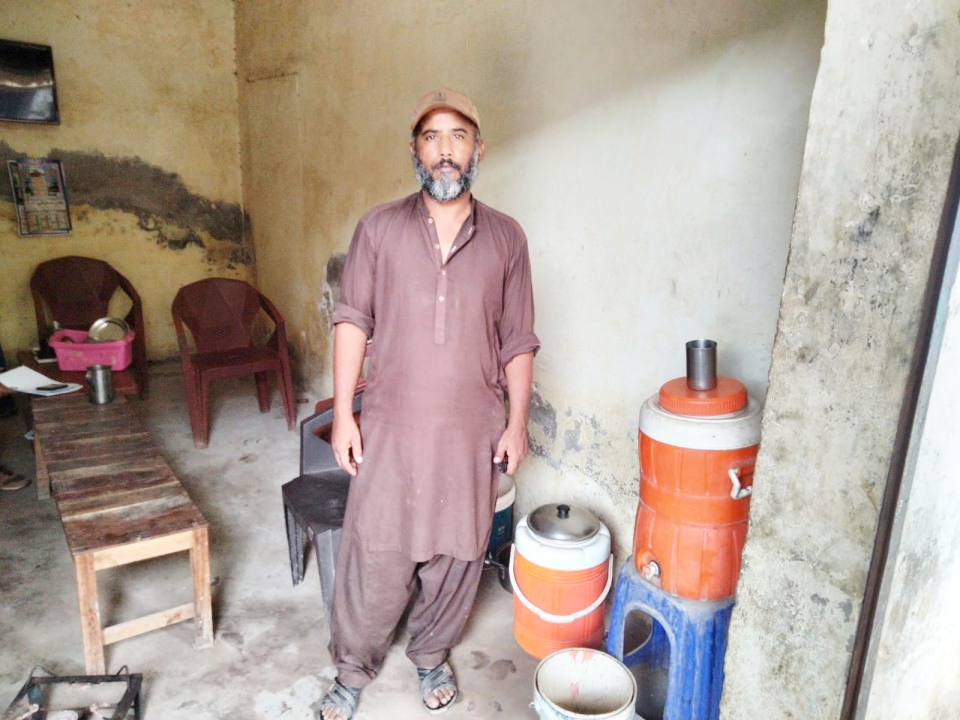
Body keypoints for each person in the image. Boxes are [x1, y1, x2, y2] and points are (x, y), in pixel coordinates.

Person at [318, 88, 539, 720]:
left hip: (473, 428)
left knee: (459, 550)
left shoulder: (507, 238)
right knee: (375, 546)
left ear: (478, 149)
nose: (445, 151)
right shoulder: (379, 229)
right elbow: (352, 320)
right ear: (415, 150)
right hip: (390, 423)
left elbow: (519, 338)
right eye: (432, 137)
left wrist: (516, 423)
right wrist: (343, 415)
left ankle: (430, 655)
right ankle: (350, 669)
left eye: (458, 137)